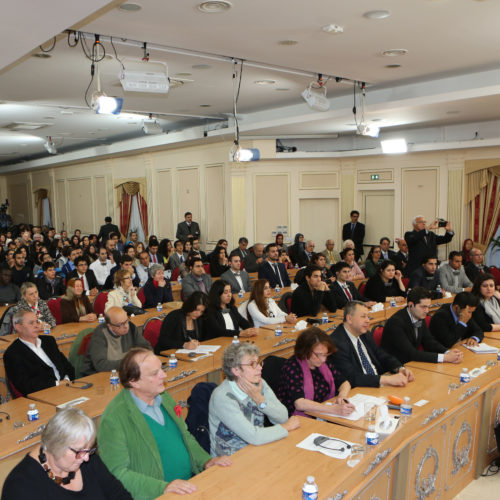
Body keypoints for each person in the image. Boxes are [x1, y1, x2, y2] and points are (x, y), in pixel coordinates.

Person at [98, 348, 230, 499]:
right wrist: (163, 488)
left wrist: (206, 461)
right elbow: (116, 473)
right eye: (154, 373)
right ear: (134, 382)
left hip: (190, 485)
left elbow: (185, 436)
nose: (164, 375)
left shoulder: (163, 397)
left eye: (161, 368)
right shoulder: (114, 418)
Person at [2, 407, 132, 500]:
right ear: (55, 444)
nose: (86, 458)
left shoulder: (86, 459)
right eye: (80, 451)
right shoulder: (20, 486)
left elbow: (119, 494)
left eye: (89, 450)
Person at [209, 343, 299, 456]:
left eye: (259, 363)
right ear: (236, 370)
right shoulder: (222, 397)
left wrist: (260, 400)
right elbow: (254, 436)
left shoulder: (259, 383)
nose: (260, 368)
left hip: (257, 449)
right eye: (253, 364)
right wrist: (285, 427)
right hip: (230, 459)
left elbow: (283, 417)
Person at [331, 301, 414, 388]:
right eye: (363, 316)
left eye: (368, 316)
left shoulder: (365, 334)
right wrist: (387, 380)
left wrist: (400, 368)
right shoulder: (336, 342)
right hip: (359, 390)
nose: (368, 321)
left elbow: (381, 355)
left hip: (377, 385)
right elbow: (352, 377)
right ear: (349, 319)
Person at [277, 327, 354, 417]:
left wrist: (342, 396)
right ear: (306, 350)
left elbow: (345, 383)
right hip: (297, 419)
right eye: (318, 355)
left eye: (325, 354)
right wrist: (333, 410)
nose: (323, 359)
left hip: (321, 414)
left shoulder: (324, 364)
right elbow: (299, 403)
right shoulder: (292, 367)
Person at [381, 287, 463, 364]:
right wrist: (445, 358)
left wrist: (447, 352)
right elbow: (411, 353)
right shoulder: (396, 322)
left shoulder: (418, 315)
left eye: (428, 307)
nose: (427, 311)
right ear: (410, 305)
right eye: (423, 307)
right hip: (396, 367)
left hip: (412, 363)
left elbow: (429, 341)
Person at [4, 310, 74, 396]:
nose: (36, 325)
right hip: (44, 395)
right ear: (18, 327)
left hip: (68, 387)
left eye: (37, 321)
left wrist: (66, 380)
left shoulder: (49, 341)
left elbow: (67, 366)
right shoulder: (12, 353)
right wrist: (57, 384)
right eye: (31, 323)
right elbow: (25, 385)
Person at [80, 306, 151, 376]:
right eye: (120, 324)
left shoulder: (131, 327)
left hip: (124, 372)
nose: (126, 326)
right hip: (96, 376)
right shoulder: (99, 334)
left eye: (127, 321)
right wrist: (130, 362)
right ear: (110, 326)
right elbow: (101, 365)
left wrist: (139, 359)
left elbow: (147, 348)